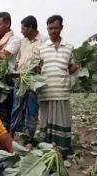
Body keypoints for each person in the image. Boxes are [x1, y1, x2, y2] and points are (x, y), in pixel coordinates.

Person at [34, 15, 78, 157]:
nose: (52, 31)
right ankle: (47, 150)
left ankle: (62, 150)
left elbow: (71, 67)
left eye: (55, 28)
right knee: (46, 122)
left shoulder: (69, 47)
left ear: (61, 28)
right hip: (46, 91)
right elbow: (36, 69)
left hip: (62, 91)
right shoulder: (41, 48)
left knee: (62, 120)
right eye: (49, 28)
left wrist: (75, 68)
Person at [10, 16, 48, 147]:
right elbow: (19, 58)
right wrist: (16, 65)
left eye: (23, 28)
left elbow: (45, 61)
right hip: (20, 79)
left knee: (32, 108)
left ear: (31, 27)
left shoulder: (44, 41)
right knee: (16, 107)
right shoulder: (23, 41)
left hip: (33, 80)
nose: (21, 31)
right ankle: (11, 135)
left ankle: (29, 138)